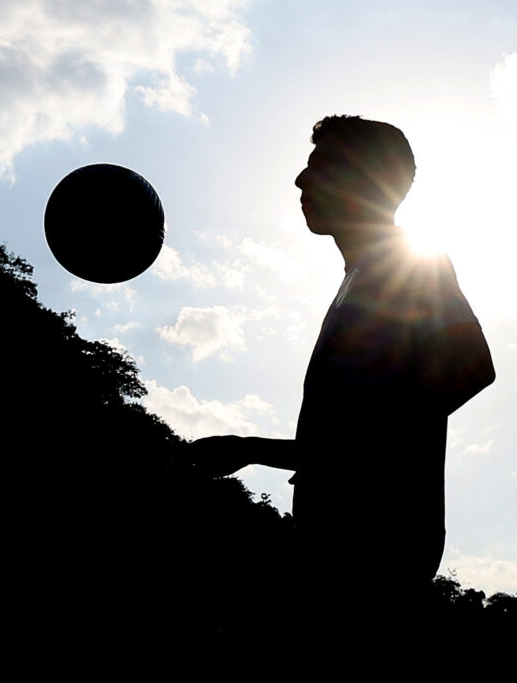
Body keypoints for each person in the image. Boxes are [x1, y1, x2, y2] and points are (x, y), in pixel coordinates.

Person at [188, 115, 495, 637]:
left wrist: (359, 471)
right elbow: (347, 436)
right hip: (332, 547)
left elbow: (471, 367)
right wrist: (250, 448)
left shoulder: (408, 260)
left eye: (322, 164)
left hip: (372, 553)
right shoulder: (359, 278)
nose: (300, 179)